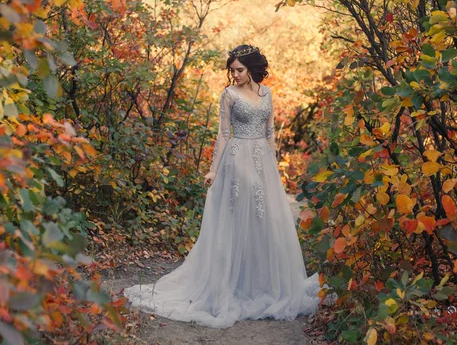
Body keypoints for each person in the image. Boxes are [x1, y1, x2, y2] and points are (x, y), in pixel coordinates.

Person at [124, 45, 319, 328]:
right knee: (237, 218)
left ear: (252, 68)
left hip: (263, 160)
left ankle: (261, 284)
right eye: (232, 70)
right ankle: (230, 282)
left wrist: (273, 165)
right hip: (237, 158)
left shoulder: (267, 93)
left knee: (264, 220)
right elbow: (223, 134)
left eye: (239, 69)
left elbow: (270, 132)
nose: (235, 75)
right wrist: (213, 169)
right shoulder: (229, 95)